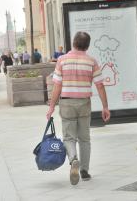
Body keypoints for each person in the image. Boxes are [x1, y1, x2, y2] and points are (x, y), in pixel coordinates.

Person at [46, 31, 111, 185]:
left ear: (73, 43)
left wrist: (51, 107)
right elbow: (100, 85)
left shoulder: (62, 60)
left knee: (69, 137)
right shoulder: (91, 61)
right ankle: (84, 171)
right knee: (84, 138)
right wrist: (105, 107)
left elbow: (57, 86)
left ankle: (73, 159)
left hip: (67, 102)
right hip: (84, 103)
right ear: (87, 46)